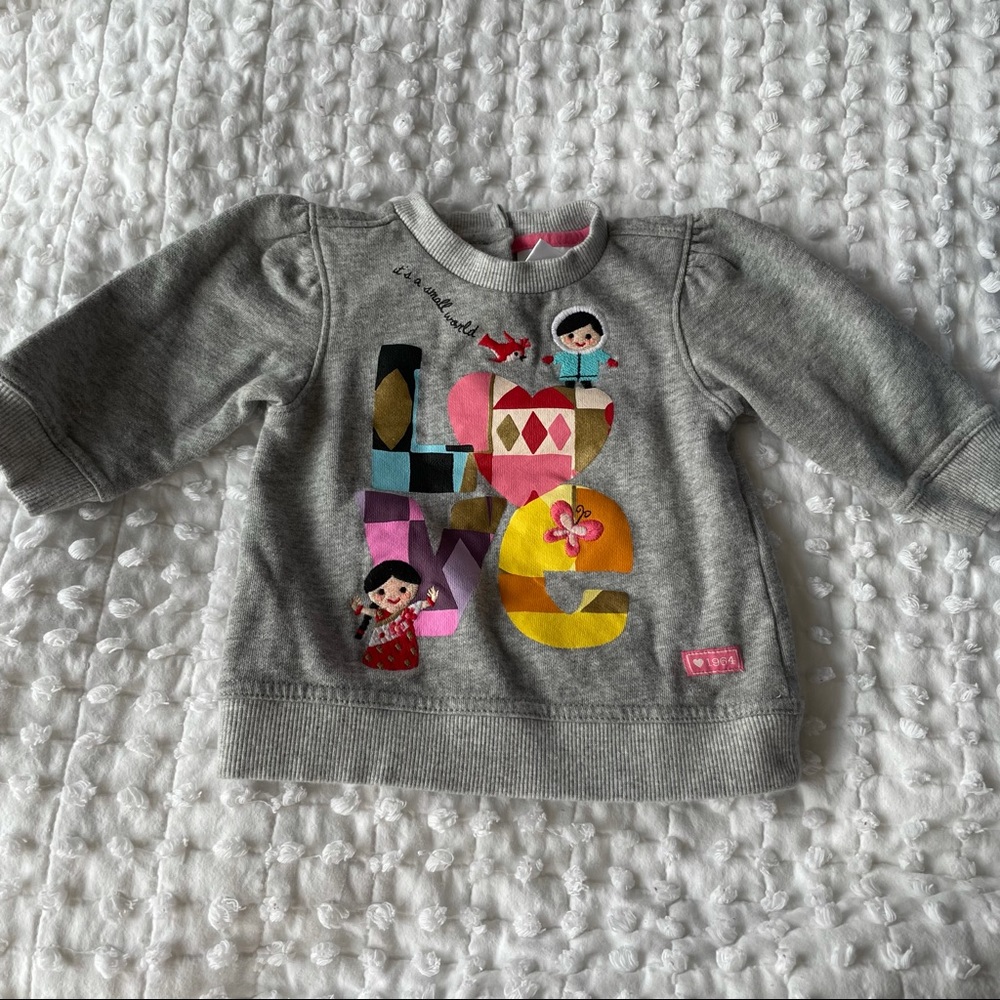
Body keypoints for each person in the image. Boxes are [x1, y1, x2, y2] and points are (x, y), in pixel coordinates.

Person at [351, 559, 439, 670]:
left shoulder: (408, 611)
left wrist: (431, 600)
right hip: (382, 644)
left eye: (403, 589)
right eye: (381, 592)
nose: (393, 596)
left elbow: (421, 605)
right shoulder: (382, 612)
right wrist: (359, 608)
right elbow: (371, 612)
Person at [541, 307, 618, 387]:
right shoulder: (567, 354)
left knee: (588, 387)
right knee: (568, 387)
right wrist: (552, 359)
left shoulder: (594, 353)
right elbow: (560, 357)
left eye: (588, 336)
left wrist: (609, 360)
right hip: (570, 374)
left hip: (587, 374)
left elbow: (601, 355)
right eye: (571, 336)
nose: (580, 341)